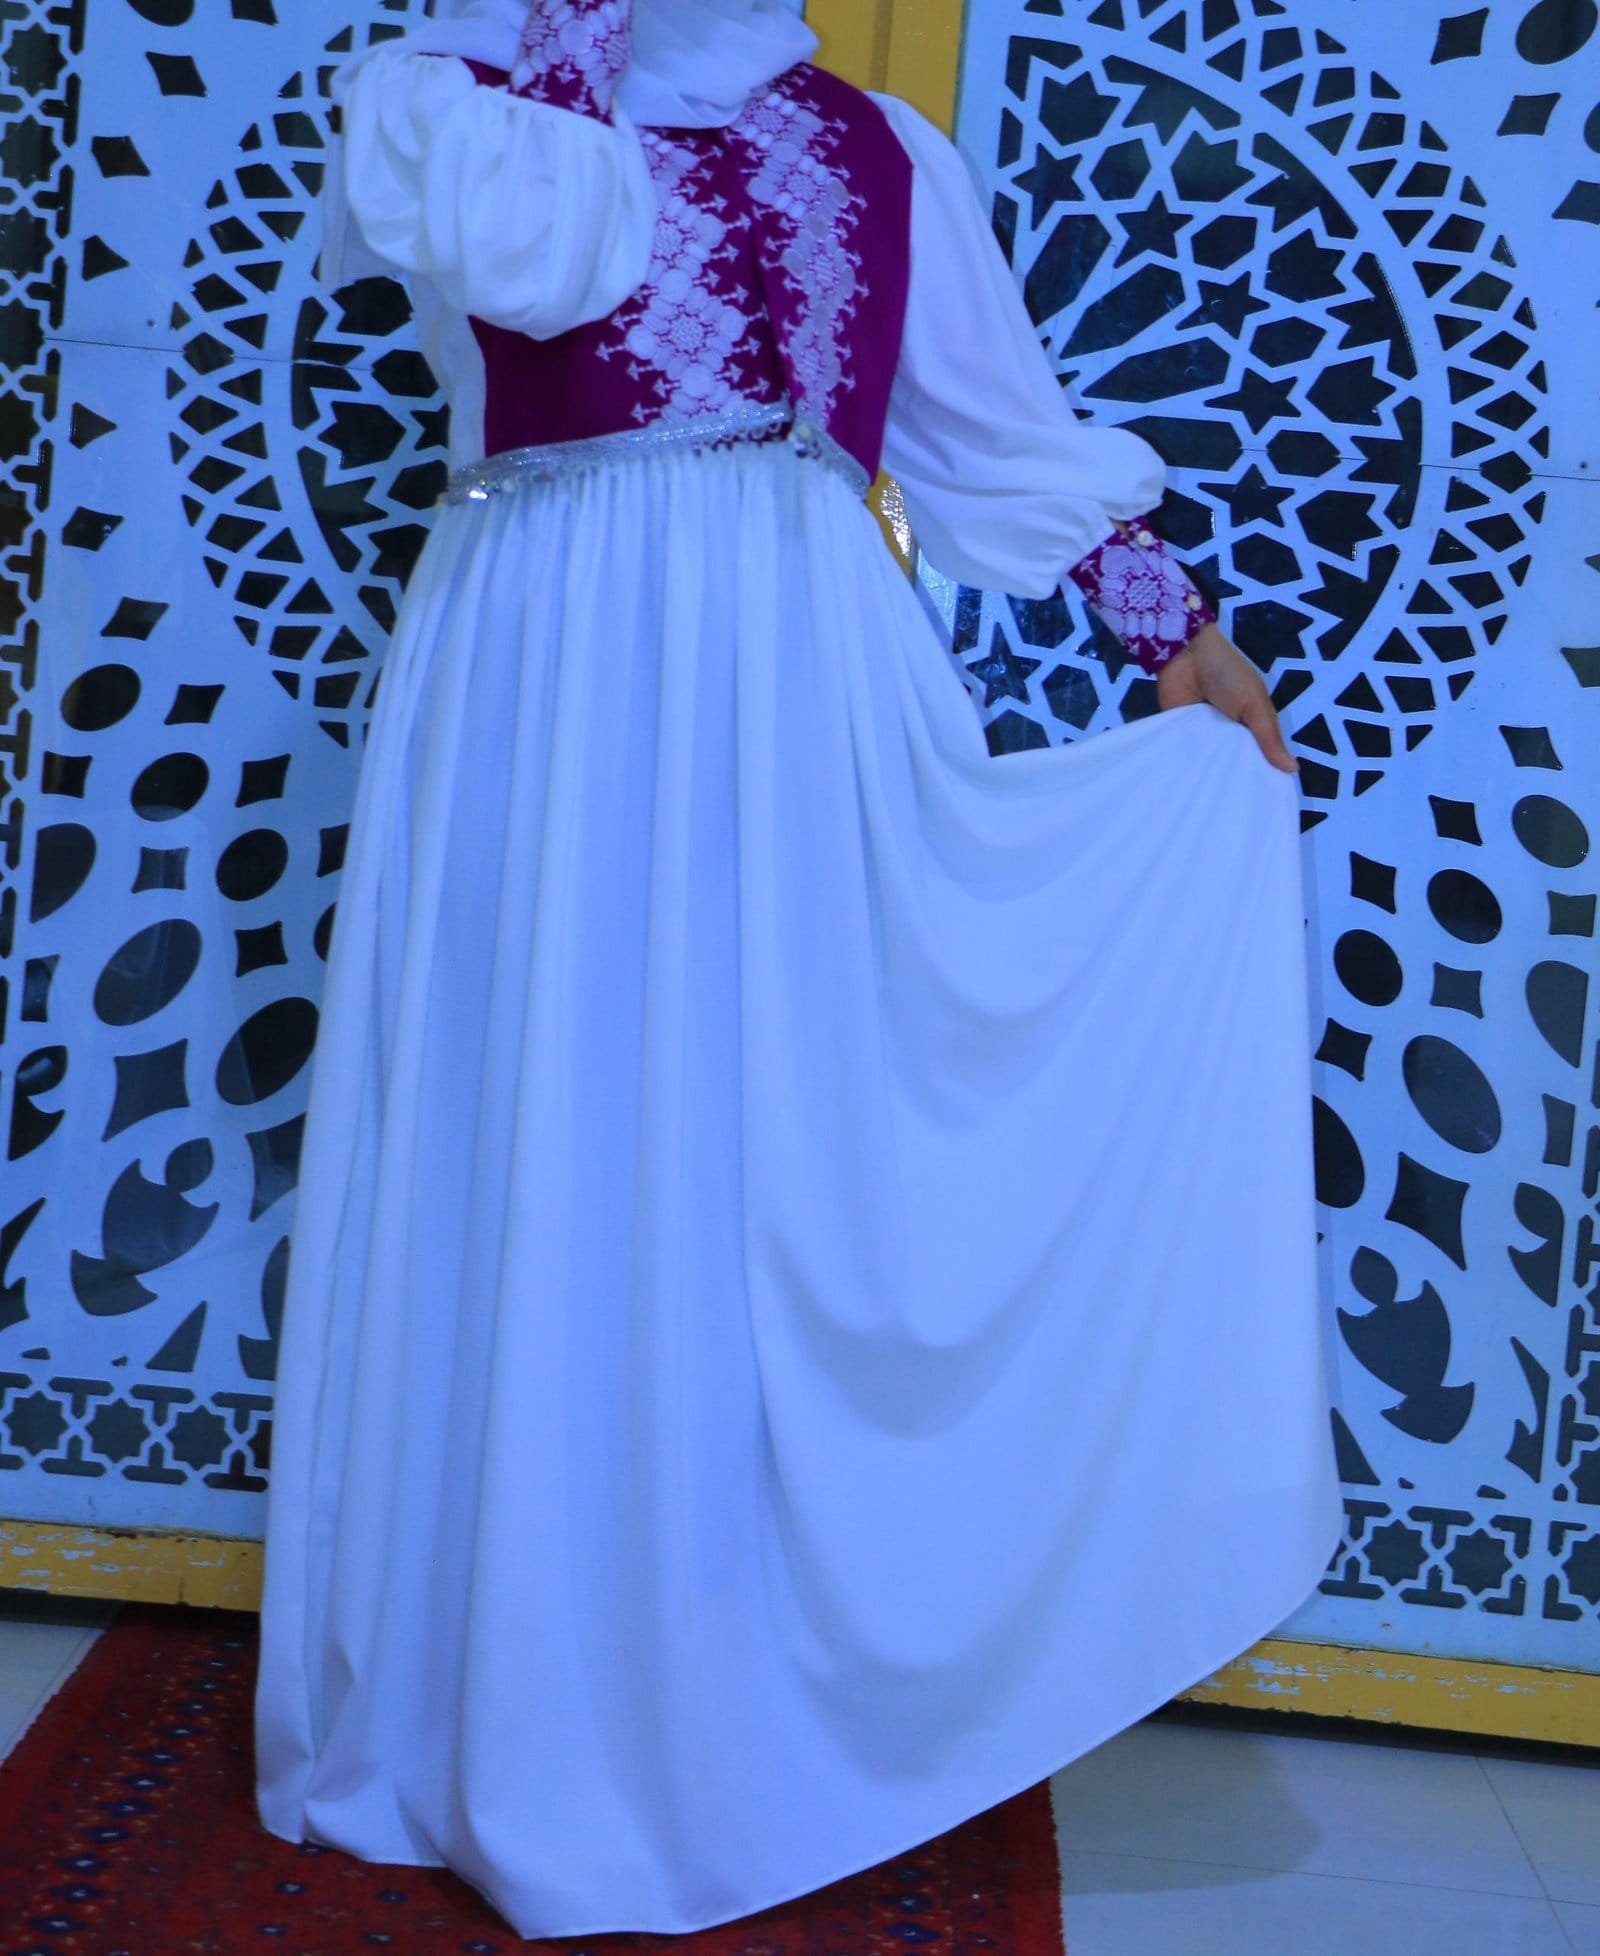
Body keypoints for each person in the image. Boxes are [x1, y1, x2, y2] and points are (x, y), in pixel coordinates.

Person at [252, 0, 1344, 1937]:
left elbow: (992, 434)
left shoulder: (878, 153)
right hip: (551, 662)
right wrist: (566, 34)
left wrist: (1175, 637)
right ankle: (514, 1694)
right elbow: (536, 248)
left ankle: (739, 1692)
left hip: (808, 674)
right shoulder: (453, 98)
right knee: (553, 1144)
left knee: (771, 1162)